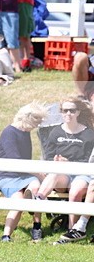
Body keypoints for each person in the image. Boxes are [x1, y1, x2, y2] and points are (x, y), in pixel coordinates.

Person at [35, 96, 94, 240]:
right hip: (62, 175)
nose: (68, 114)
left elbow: (89, 160)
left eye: (72, 111)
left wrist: (70, 162)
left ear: (78, 112)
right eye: (64, 110)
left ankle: (72, 230)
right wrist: (56, 161)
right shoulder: (55, 132)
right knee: (54, 173)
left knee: (75, 191)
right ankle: (39, 200)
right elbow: (48, 156)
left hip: (81, 174)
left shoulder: (88, 134)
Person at [0, 102, 47, 242]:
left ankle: (37, 225)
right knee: (18, 202)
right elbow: (15, 161)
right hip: (7, 176)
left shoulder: (25, 133)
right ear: (29, 118)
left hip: (24, 175)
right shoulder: (9, 133)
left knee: (36, 187)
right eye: (37, 121)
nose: (38, 124)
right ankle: (6, 235)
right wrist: (37, 173)